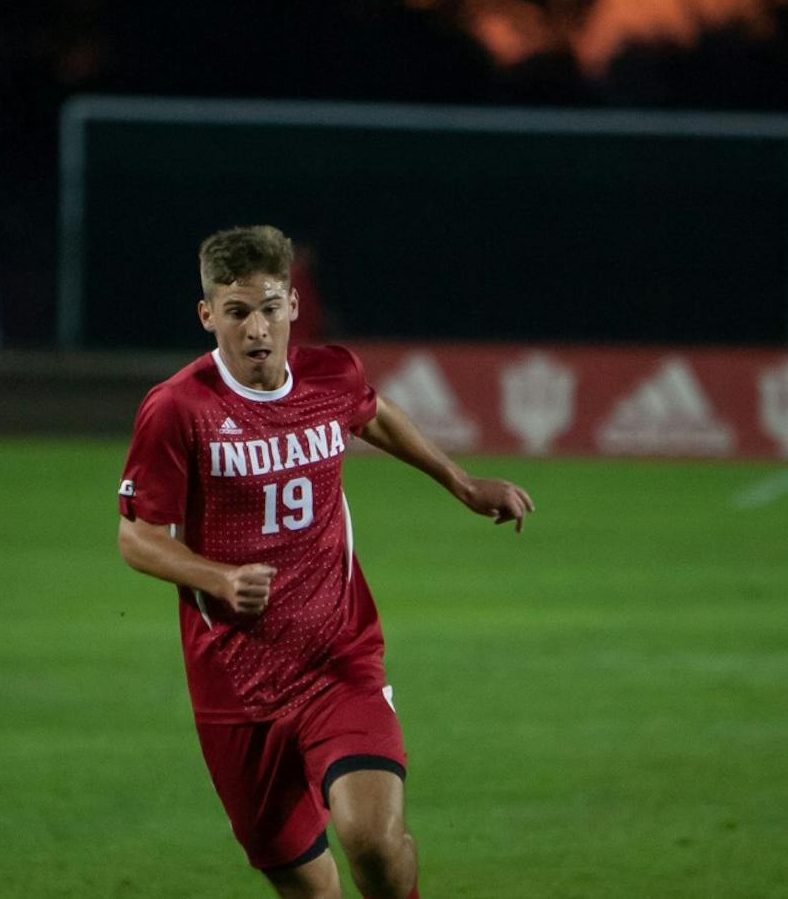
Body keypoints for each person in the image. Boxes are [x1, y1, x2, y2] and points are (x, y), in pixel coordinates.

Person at [117, 225, 533, 899]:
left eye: (271, 307)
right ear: (208, 315)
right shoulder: (177, 410)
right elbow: (136, 537)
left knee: (370, 837)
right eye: (238, 311)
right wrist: (216, 576)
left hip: (337, 658)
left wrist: (461, 482)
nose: (258, 328)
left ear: (293, 306)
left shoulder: (329, 374)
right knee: (310, 887)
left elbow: (372, 414)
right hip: (235, 687)